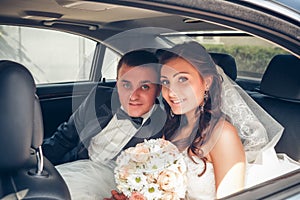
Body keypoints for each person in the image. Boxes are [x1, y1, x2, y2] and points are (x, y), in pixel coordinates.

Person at [107, 42, 299, 200]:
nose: (171, 92)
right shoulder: (172, 127)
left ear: (206, 82)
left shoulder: (222, 135)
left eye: (182, 79)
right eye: (165, 82)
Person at [44, 49, 166, 199]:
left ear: (159, 89)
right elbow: (63, 138)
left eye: (145, 87)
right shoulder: (99, 98)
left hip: (112, 190)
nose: (133, 96)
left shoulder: (165, 126)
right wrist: (32, 163)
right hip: (72, 169)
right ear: (117, 82)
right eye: (126, 85)